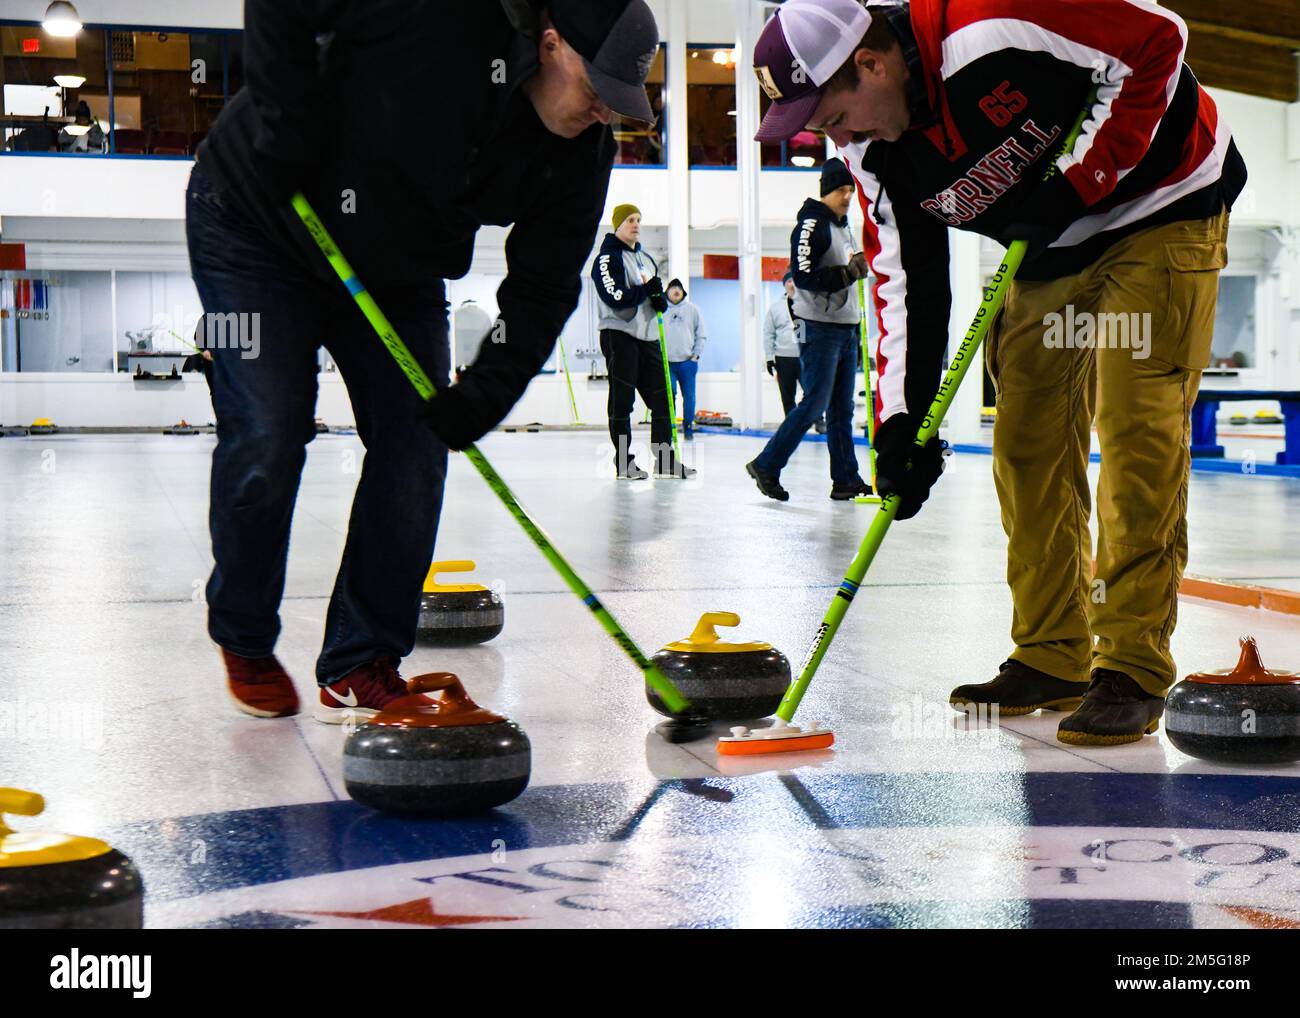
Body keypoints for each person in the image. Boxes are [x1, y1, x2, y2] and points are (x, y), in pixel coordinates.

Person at [753, 0, 1246, 745]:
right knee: (1025, 440)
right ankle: (1053, 653)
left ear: (871, 63)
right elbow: (906, 281)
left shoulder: (989, 21)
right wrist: (901, 425)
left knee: (1136, 427)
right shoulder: (874, 152)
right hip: (1047, 242)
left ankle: (1133, 666)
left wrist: (1079, 183)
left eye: (835, 116)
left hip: (1161, 201)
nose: (838, 140)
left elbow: (1158, 38)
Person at [188, 0, 660, 722]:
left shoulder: (582, 153)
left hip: (395, 266)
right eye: (596, 88)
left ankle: (360, 658)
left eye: (618, 103)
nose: (604, 112)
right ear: (552, 42)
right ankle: (245, 631)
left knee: (418, 441)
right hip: (253, 216)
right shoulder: (441, 21)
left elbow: (543, 287)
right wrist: (285, 126)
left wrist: (485, 391)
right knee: (268, 433)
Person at [745, 157, 873, 502]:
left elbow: (846, 267)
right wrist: (846, 274)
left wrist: (856, 268)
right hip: (820, 328)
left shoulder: (843, 226)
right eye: (841, 190)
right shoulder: (811, 225)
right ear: (826, 191)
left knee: (842, 409)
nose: (847, 196)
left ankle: (846, 478)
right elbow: (802, 276)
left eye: (850, 190)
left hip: (846, 326)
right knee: (814, 404)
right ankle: (767, 464)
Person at [591, 203, 693, 478]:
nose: (636, 224)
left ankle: (664, 460)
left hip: (648, 338)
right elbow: (615, 298)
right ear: (617, 225)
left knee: (664, 399)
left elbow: (650, 294)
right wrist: (644, 293)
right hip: (620, 335)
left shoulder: (645, 259)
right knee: (622, 402)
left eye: (638, 219)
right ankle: (624, 463)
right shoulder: (607, 258)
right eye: (629, 220)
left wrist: (658, 300)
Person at [661, 278, 705, 441]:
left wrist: (696, 354)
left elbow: (701, 333)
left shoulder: (693, 309)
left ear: (683, 291)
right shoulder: (661, 309)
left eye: (679, 288)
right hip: (667, 363)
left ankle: (688, 427)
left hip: (688, 362)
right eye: (673, 288)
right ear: (667, 292)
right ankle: (669, 428)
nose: (676, 290)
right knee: (669, 396)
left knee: (690, 397)